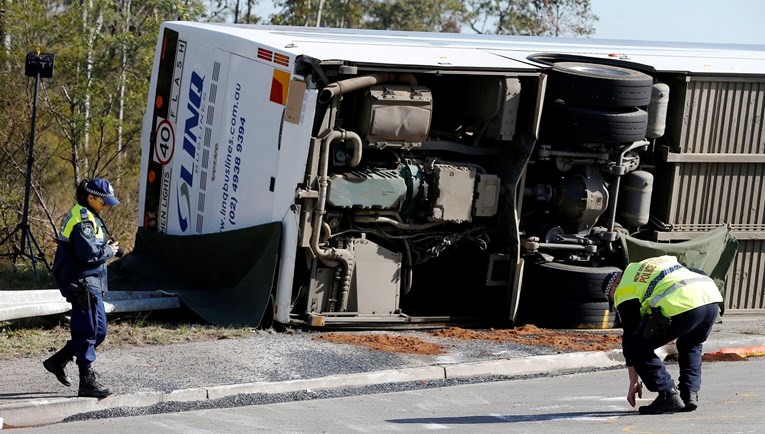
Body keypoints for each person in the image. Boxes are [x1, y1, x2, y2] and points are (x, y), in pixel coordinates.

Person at [602, 255, 723, 414]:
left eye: (611, 298)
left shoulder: (623, 289)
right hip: (709, 298)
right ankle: (689, 394)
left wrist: (633, 382)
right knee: (690, 344)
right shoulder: (644, 266)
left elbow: (630, 339)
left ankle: (667, 394)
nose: (615, 302)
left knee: (635, 346)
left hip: (683, 303)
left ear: (613, 286)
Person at [44, 178, 122, 398]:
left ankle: (57, 361)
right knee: (88, 331)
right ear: (91, 198)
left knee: (99, 332)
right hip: (80, 283)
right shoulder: (82, 219)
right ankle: (86, 383)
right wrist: (109, 252)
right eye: (104, 202)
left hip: (91, 282)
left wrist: (109, 249)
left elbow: (93, 248)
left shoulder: (90, 217)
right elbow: (88, 254)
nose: (106, 206)